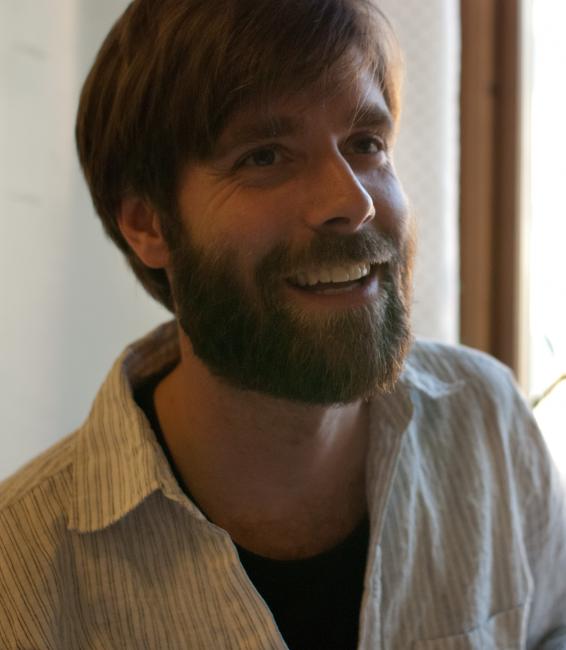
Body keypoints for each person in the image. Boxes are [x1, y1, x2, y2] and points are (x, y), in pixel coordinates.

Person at [1, 0, 565, 647]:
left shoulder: (487, 421)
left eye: (366, 144)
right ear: (147, 223)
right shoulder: (22, 573)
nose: (351, 201)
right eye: (265, 156)